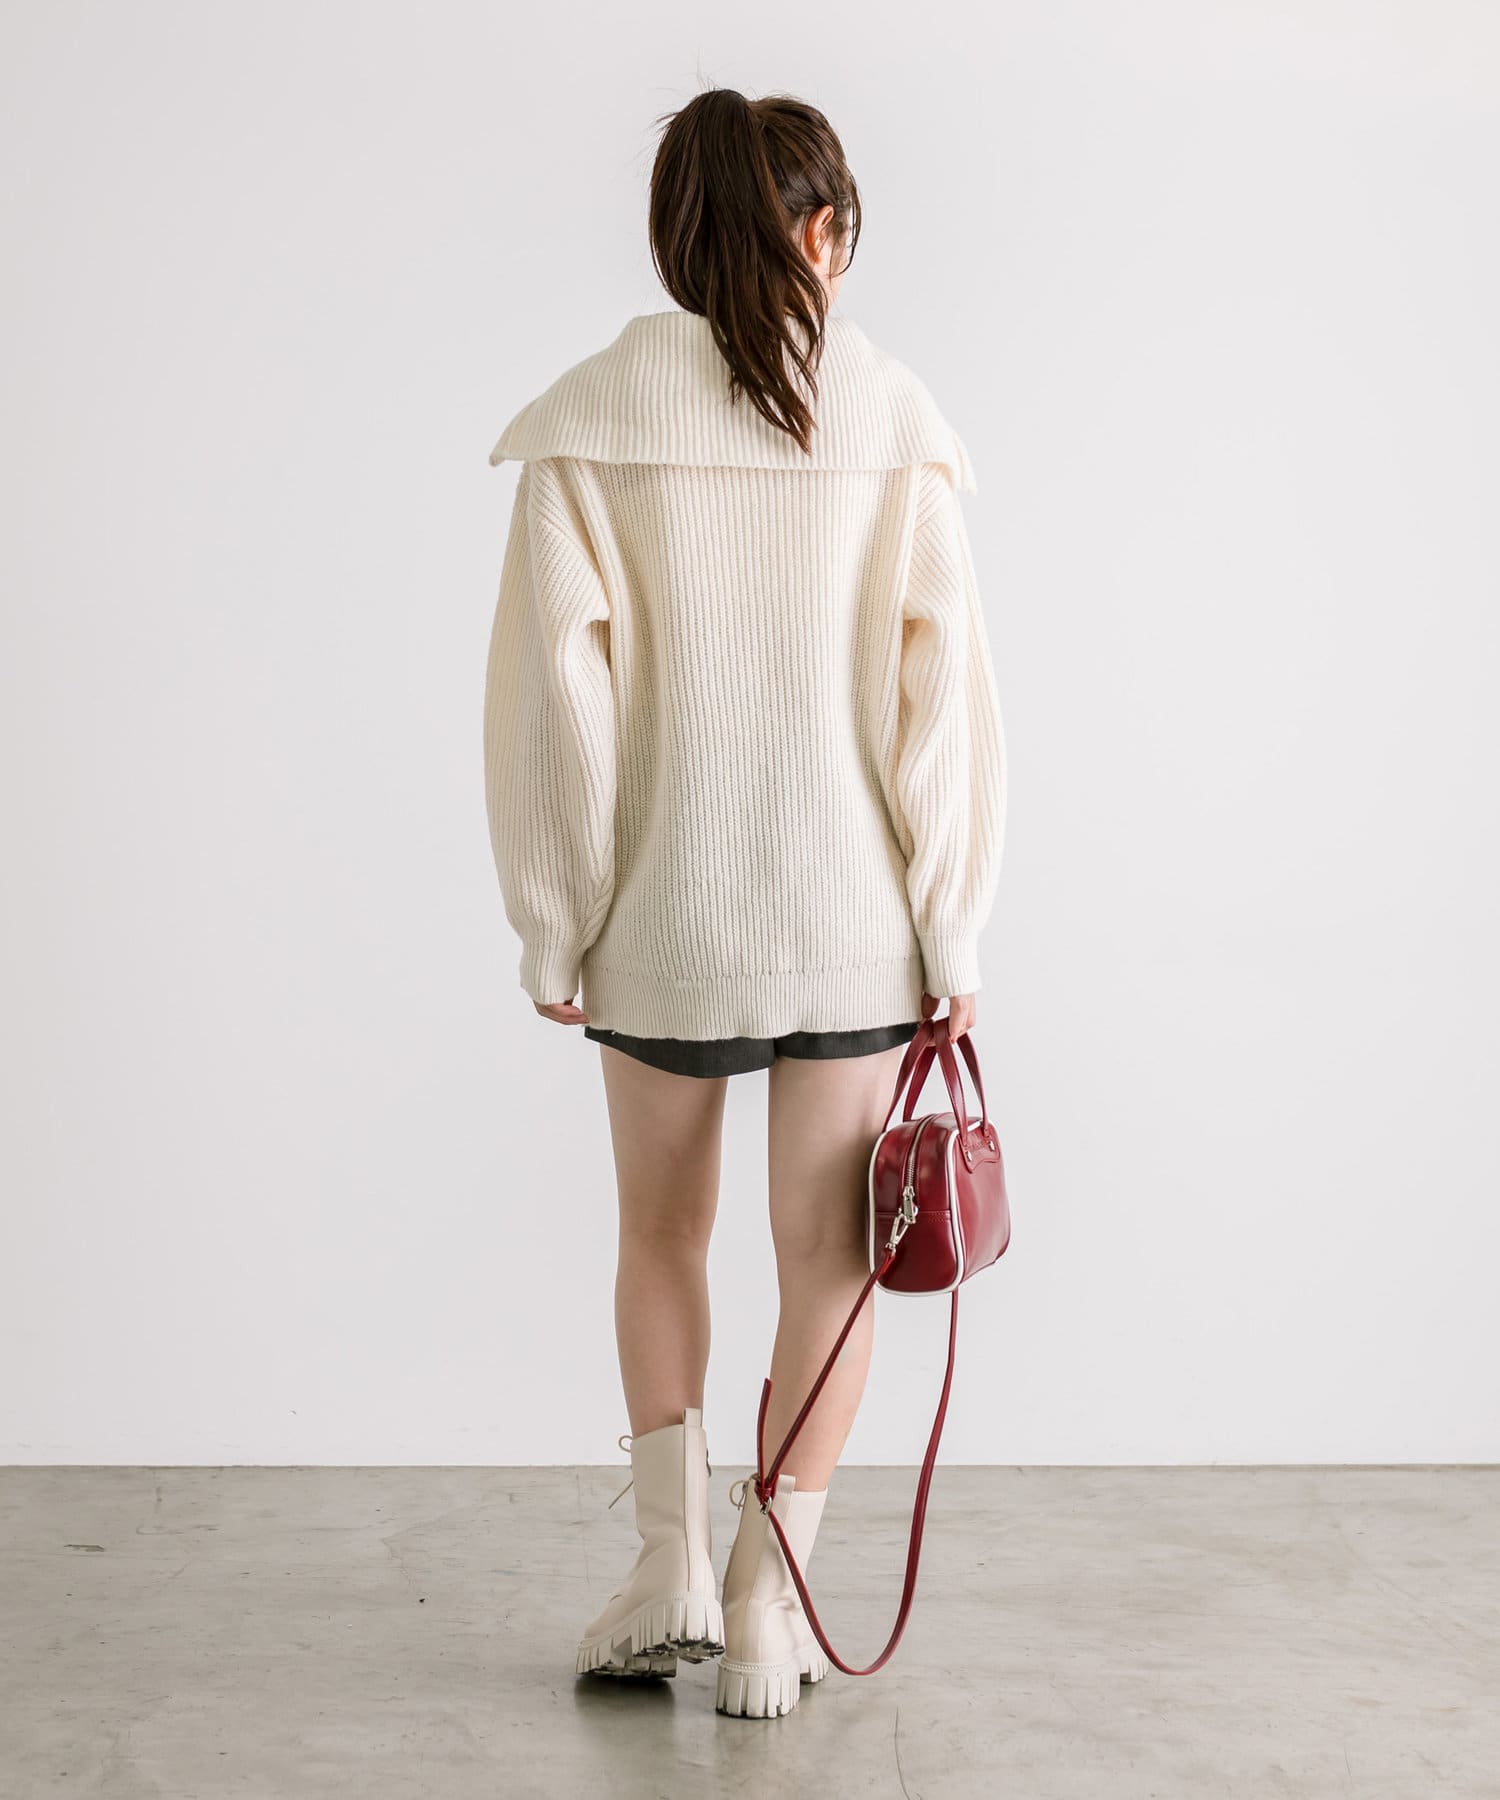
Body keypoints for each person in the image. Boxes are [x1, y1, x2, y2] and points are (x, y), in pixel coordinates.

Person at [482, 86, 1007, 1720]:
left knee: (659, 1230)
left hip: (666, 920)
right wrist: (953, 923)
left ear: (676, 236)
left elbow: (554, 706)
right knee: (827, 1262)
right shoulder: (890, 415)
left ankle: (669, 1569)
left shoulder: (591, 419)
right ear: (824, 234)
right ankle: (771, 1599)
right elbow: (945, 707)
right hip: (852, 923)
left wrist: (556, 916)